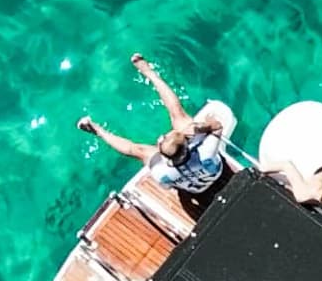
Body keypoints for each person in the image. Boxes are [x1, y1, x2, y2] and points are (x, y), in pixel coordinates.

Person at [76, 55, 236, 207]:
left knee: (137, 150)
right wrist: (202, 127)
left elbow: (168, 186)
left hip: (194, 189)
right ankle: (150, 73)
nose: (162, 136)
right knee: (179, 116)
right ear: (187, 145)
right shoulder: (206, 152)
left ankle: (98, 131)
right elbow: (217, 126)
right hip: (216, 173)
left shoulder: (161, 173)